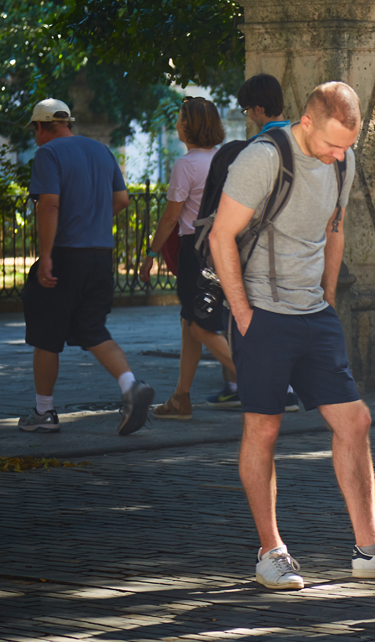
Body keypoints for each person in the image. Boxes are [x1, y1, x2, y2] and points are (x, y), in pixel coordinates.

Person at [209, 80, 375, 590]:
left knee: (356, 420)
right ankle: (271, 552)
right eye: (331, 144)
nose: (337, 155)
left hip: (313, 313)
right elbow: (221, 236)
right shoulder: (263, 158)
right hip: (262, 313)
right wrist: (243, 313)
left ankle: (370, 549)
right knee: (264, 429)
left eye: (346, 146)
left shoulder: (342, 159)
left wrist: (328, 296)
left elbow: (335, 227)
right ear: (306, 123)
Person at [18, 98, 154, 434]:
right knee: (93, 329)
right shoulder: (101, 150)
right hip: (100, 256)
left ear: (39, 127)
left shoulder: (48, 154)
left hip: (66, 254)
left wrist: (46, 256)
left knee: (47, 335)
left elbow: (49, 206)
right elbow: (121, 200)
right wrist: (92, 219)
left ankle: (44, 413)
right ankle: (130, 386)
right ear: (68, 123)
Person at [205, 74, 300, 413]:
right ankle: (285, 386)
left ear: (260, 108)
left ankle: (273, 389)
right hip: (301, 250)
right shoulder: (302, 142)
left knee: (261, 324)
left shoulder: (260, 149)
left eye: (248, 109)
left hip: (265, 251)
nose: (247, 116)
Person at [139, 97, 237, 420]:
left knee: (199, 327)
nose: (178, 123)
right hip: (223, 247)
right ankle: (181, 398)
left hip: (195, 252)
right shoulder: (225, 161)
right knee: (190, 323)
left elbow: (170, 217)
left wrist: (151, 253)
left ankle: (259, 380)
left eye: (181, 119)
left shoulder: (186, 165)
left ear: (191, 125)